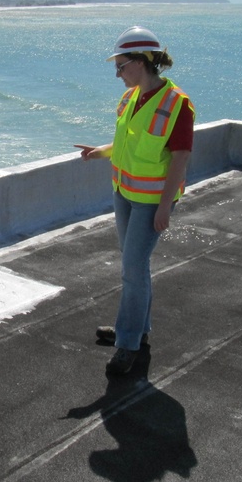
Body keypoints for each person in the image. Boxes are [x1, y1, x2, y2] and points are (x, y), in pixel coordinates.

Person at [75, 26, 195, 375]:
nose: (117, 73)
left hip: (151, 202)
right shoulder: (130, 98)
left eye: (122, 65)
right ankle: (137, 332)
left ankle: (127, 344)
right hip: (124, 193)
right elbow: (129, 144)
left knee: (132, 269)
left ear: (141, 62)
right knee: (136, 268)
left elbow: (180, 158)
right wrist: (100, 152)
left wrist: (164, 206)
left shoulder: (177, 105)